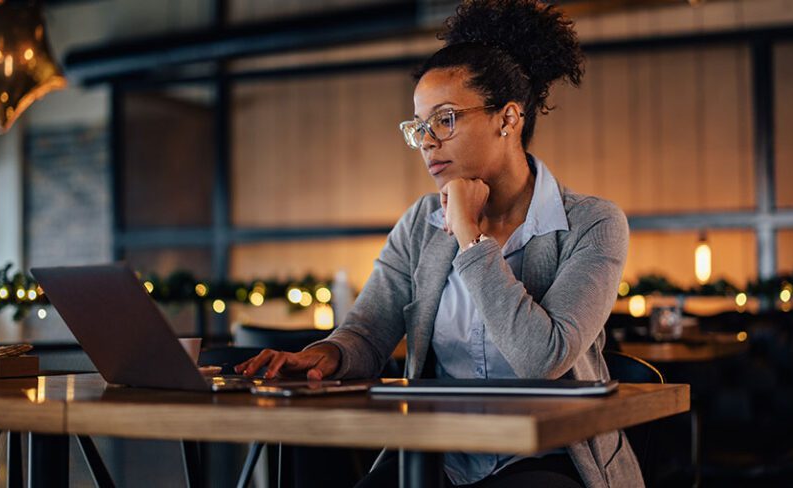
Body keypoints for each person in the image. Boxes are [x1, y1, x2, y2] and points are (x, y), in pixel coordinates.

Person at [235, 1, 642, 486]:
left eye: (445, 120)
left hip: (548, 460)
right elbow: (367, 331)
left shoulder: (593, 223)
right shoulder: (418, 225)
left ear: (507, 119)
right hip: (438, 457)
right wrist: (328, 354)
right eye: (418, 126)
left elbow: (544, 358)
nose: (427, 141)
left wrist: (471, 238)